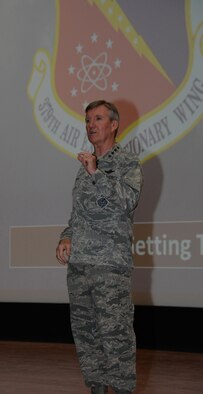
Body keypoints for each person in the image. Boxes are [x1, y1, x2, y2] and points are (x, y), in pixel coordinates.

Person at [56, 100, 143, 394]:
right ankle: (95, 388)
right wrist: (66, 237)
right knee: (86, 335)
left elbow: (126, 203)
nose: (91, 125)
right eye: (88, 120)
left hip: (110, 267)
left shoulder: (127, 164)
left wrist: (97, 174)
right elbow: (76, 217)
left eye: (98, 118)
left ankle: (121, 390)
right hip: (80, 265)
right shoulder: (83, 169)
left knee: (115, 336)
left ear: (114, 125)